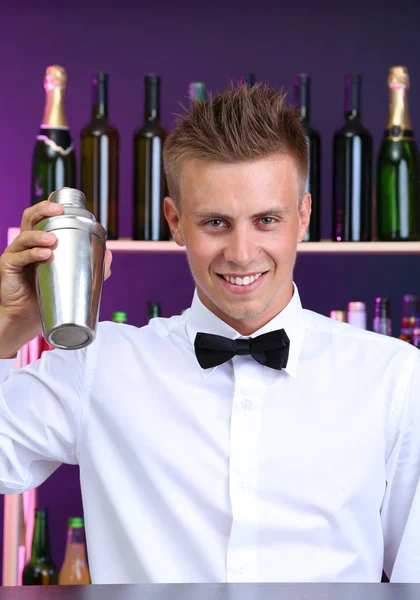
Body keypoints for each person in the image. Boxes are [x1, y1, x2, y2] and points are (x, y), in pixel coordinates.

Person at [0, 82, 419, 585]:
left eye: (267, 219)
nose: (242, 253)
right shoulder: (98, 366)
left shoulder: (394, 378)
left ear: (303, 216)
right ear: (175, 221)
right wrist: (5, 328)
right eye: (216, 222)